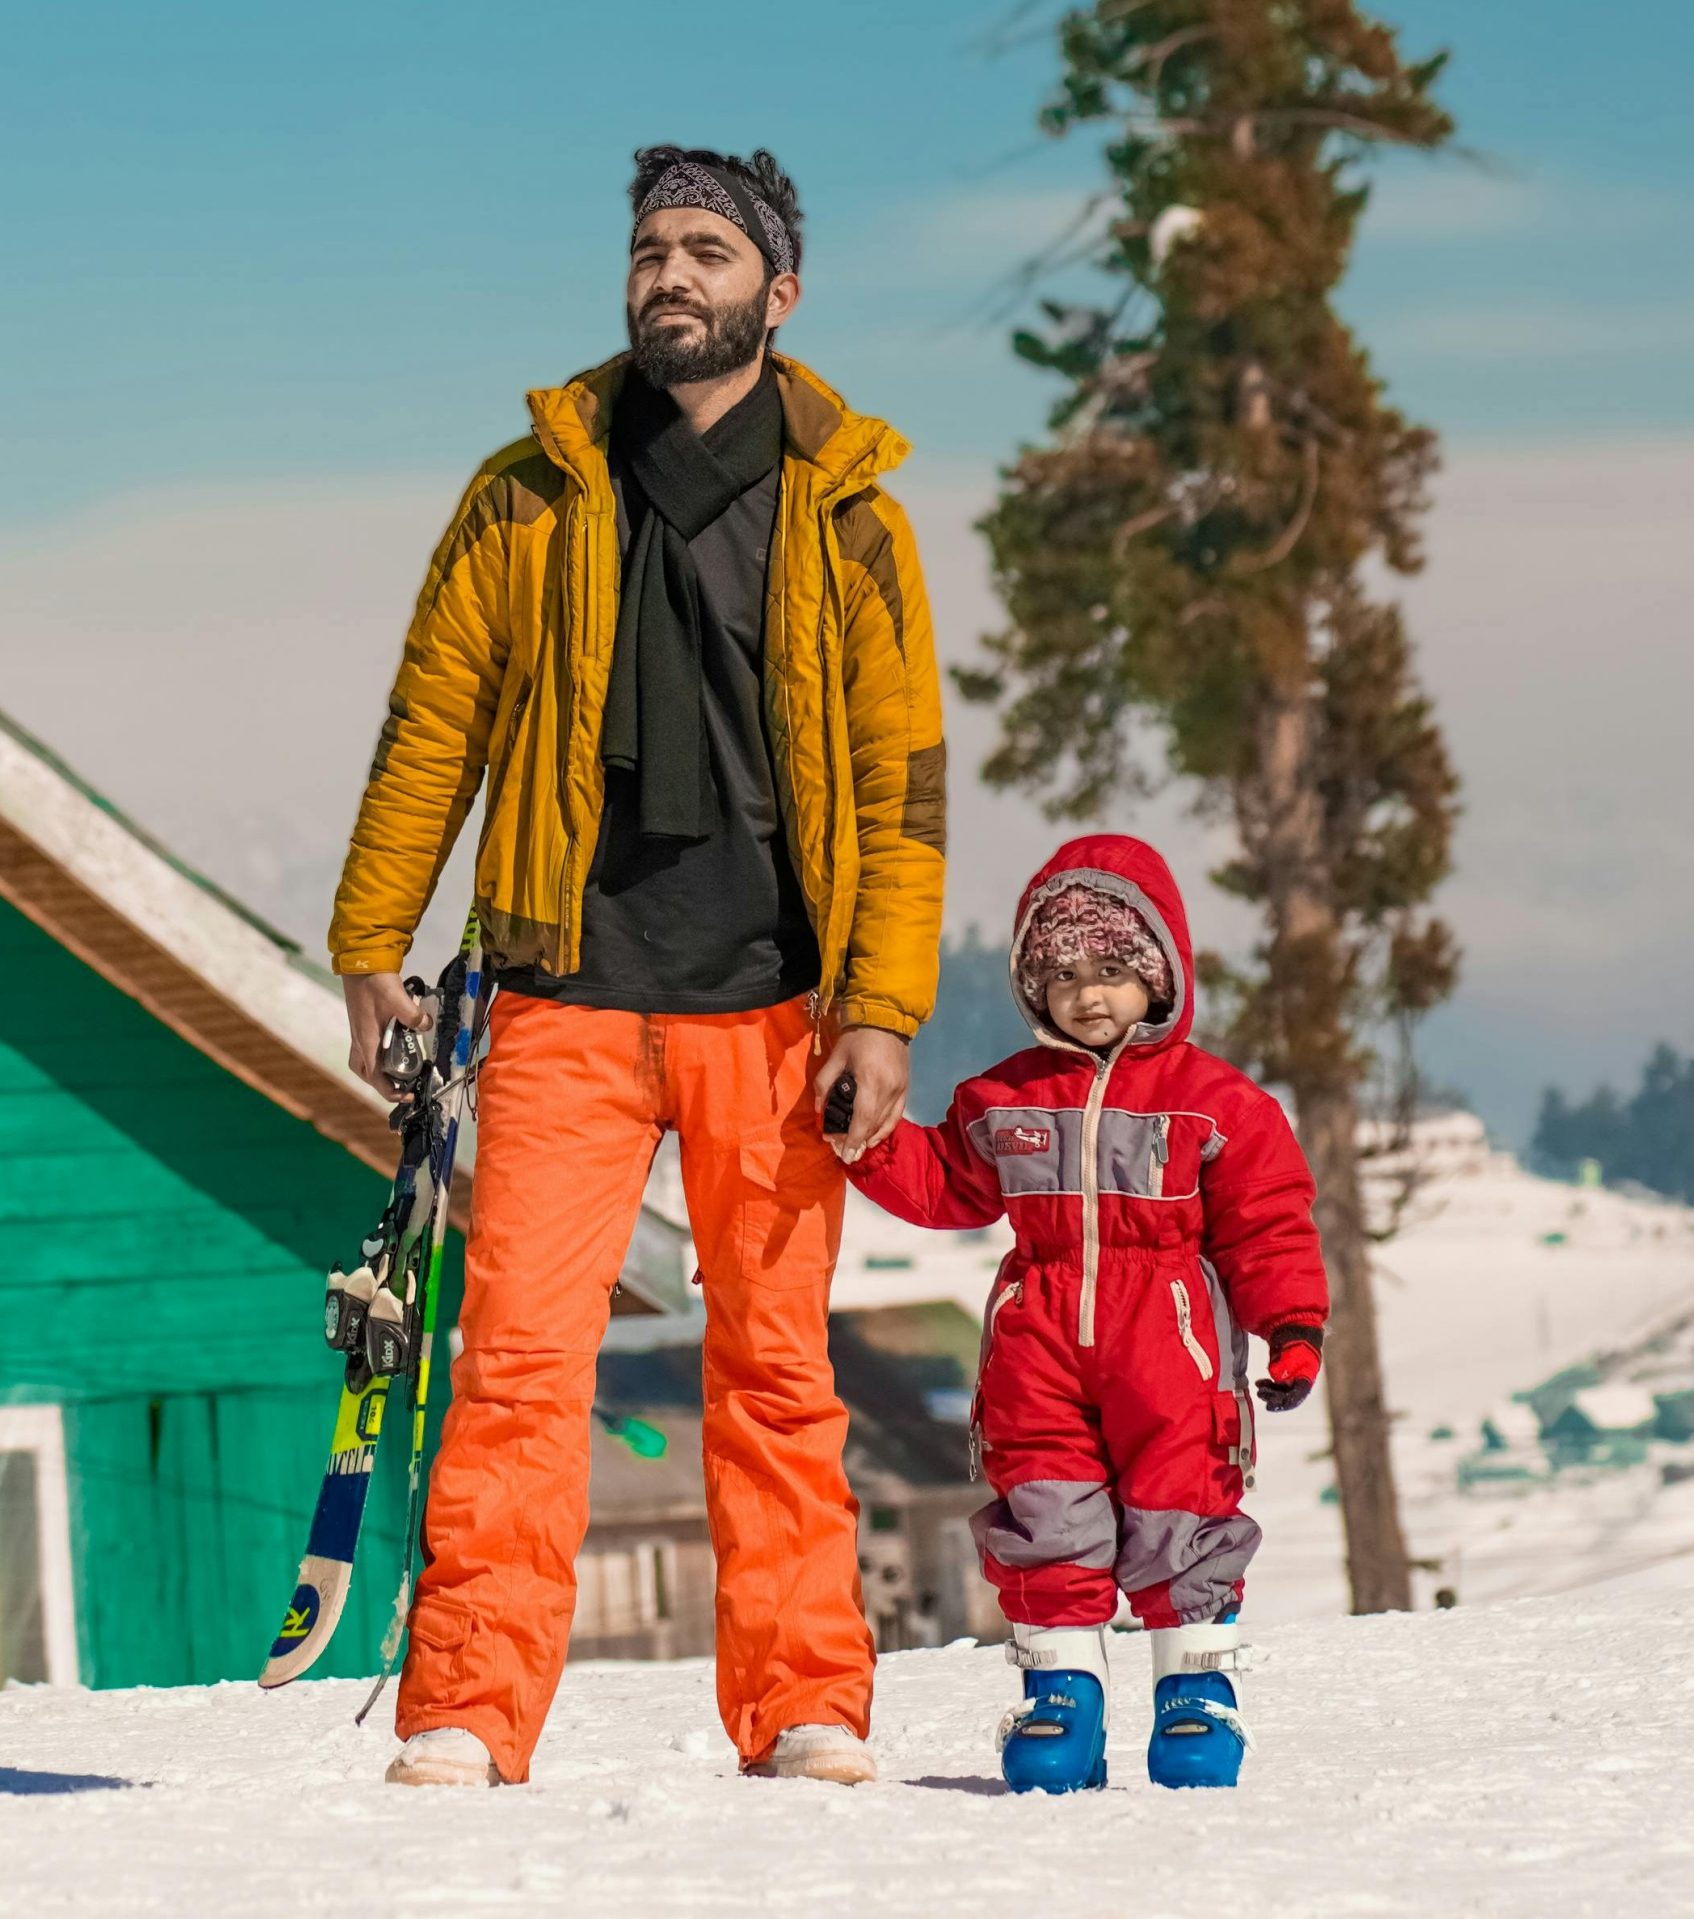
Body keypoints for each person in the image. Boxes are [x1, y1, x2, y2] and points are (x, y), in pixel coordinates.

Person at [329, 144, 948, 1788]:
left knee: (779, 1373)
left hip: (773, 1005)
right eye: (649, 249)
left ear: (778, 290)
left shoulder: (852, 519)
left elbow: (903, 790)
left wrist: (882, 1007)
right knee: (520, 1367)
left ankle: (805, 1698)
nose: (670, 275)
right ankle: (466, 1705)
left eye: (706, 250)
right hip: (562, 990)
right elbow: (431, 728)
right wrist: (368, 943)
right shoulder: (524, 494)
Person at [846, 834, 1328, 1792]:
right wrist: (865, 1142)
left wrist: (1293, 1328)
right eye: (1061, 973)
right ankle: (1060, 1691)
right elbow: (946, 1183)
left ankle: (1195, 1692)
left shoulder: (1215, 1103)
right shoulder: (1007, 1097)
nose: (1088, 992)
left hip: (1174, 1351)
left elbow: (1268, 1223)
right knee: (1046, 1509)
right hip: (1040, 1346)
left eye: (1112, 968)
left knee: (1181, 1503)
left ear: (1160, 974)